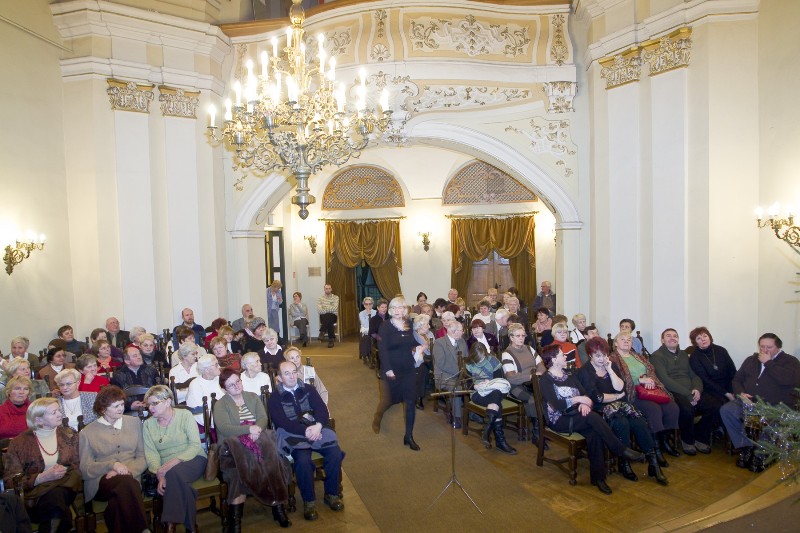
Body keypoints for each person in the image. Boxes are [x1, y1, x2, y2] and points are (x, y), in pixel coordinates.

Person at [539, 345, 645, 495]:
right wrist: (578, 399)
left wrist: (583, 402)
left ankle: (598, 478)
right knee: (593, 417)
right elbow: (558, 405)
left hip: (577, 415)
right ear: (554, 359)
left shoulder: (569, 374)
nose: (565, 357)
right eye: (562, 355)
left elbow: (586, 395)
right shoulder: (545, 380)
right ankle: (620, 449)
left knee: (594, 433)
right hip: (560, 419)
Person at [577, 337, 668, 485]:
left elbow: (621, 388)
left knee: (639, 422)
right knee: (622, 423)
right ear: (589, 356)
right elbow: (597, 397)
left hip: (620, 404)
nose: (602, 359)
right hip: (601, 409)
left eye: (604, 355)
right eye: (597, 356)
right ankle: (624, 463)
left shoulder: (611, 365)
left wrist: (609, 370)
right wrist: (616, 396)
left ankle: (653, 462)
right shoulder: (585, 371)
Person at [214, 369, 292, 529]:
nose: (236, 386)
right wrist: (248, 430)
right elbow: (224, 428)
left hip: (258, 440)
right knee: (239, 473)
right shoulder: (221, 404)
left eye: (237, 381)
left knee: (273, 462)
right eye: (230, 385)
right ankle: (235, 523)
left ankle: (278, 509)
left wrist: (257, 429)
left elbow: (263, 418)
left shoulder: (252, 397)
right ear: (224, 389)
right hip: (232, 449)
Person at [269, 361, 344, 521]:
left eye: (294, 372)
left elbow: (321, 409)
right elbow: (282, 422)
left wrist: (317, 426)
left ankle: (332, 494)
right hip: (294, 435)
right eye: (286, 373)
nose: (291, 376)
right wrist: (305, 431)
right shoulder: (275, 398)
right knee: (303, 462)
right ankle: (309, 502)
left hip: (316, 431)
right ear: (280, 378)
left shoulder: (309, 389)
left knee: (335, 454)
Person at [721, 333, 800, 472]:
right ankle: (746, 447)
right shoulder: (751, 360)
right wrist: (740, 393)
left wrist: (769, 363)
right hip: (749, 401)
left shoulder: (790, 362)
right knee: (727, 410)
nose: (764, 350)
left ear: (778, 347)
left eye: (769, 347)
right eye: (762, 346)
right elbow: (737, 379)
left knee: (764, 417)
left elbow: (789, 380)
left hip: (774, 405)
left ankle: (762, 454)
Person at [2, 397, 80, 532]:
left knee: (56, 496)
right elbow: (11, 480)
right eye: (53, 412)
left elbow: (78, 464)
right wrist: (41, 478)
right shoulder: (19, 443)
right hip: (35, 496)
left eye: (59, 410)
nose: (60, 414)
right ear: (38, 419)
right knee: (57, 506)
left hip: (66, 487)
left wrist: (64, 470)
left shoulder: (69, 434)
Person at [79, 386, 149, 533]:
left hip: (131, 477)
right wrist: (111, 466)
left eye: (122, 404)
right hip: (101, 481)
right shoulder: (87, 432)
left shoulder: (134, 423)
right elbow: (85, 469)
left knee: (118, 501)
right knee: (127, 484)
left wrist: (125, 470)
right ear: (103, 409)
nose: (121, 409)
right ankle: (143, 529)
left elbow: (143, 456)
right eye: (116, 406)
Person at [609, 331, 680, 467]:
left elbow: (651, 371)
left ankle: (664, 440)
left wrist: (651, 380)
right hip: (632, 393)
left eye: (629, 339)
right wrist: (640, 380)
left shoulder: (638, 356)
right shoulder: (613, 360)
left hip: (649, 390)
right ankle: (655, 450)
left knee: (671, 407)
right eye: (622, 339)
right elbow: (619, 381)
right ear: (616, 343)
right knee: (654, 410)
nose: (626, 341)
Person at [142, 385, 207, 532]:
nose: (150, 408)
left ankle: (170, 525)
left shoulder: (184, 415)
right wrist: (159, 473)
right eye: (148, 404)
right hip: (166, 469)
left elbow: (195, 445)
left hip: (193, 458)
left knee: (174, 473)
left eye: (154, 403)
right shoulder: (148, 424)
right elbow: (151, 453)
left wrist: (170, 465)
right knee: (180, 482)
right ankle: (191, 527)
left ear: (167, 402)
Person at [650, 328, 720, 455]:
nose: (672, 338)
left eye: (675, 336)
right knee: (687, 409)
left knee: (715, 406)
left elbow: (694, 375)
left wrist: (697, 389)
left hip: (691, 390)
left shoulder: (684, 355)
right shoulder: (656, 356)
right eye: (668, 336)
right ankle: (687, 440)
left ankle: (700, 437)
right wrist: (688, 395)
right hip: (672, 391)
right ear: (662, 340)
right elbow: (665, 380)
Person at [373, 296, 427, 450]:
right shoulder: (385, 326)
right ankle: (378, 416)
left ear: (405, 310)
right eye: (395, 308)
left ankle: (408, 436)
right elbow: (382, 350)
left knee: (410, 402)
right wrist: (388, 369)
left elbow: (410, 342)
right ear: (390, 310)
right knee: (389, 401)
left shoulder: (408, 323)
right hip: (391, 370)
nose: (398, 311)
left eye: (401, 308)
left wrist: (421, 345)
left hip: (408, 369)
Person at [465, 342, 516, 454]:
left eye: (483, 357)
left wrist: (490, 382)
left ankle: (488, 430)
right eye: (478, 359)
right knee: (497, 403)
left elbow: (499, 380)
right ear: (472, 356)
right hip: (477, 394)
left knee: (496, 393)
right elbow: (466, 384)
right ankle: (499, 440)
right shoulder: (469, 364)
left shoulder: (493, 361)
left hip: (494, 390)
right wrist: (475, 386)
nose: (481, 360)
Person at [501, 323, 545, 424]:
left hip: (535, 382)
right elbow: (511, 377)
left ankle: (547, 424)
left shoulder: (529, 348)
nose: (521, 338)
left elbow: (541, 364)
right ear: (511, 338)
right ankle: (537, 429)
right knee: (532, 399)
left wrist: (539, 374)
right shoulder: (507, 354)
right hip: (516, 386)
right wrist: (531, 376)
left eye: (523, 335)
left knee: (548, 394)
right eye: (518, 336)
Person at [433, 320, 469, 430]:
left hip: (460, 374)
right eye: (461, 331)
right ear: (454, 332)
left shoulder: (462, 341)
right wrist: (459, 373)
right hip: (444, 376)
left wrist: (466, 372)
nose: (462, 333)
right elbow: (441, 363)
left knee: (476, 383)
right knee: (457, 387)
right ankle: (457, 417)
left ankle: (474, 414)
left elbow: (466, 359)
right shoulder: (439, 343)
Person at [688, 327, 737, 405]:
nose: (703, 339)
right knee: (721, 405)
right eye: (699, 338)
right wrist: (727, 394)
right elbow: (705, 380)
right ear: (695, 342)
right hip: (711, 389)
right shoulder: (694, 357)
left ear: (709, 337)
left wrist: (733, 390)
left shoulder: (721, 350)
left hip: (729, 385)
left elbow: (732, 371)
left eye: (705, 336)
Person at [111, 345, 160, 412]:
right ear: (127, 361)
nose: (139, 357)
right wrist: (130, 406)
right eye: (135, 356)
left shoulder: (152, 371)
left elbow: (160, 390)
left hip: (152, 408)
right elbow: (115, 398)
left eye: (139, 354)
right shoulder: (118, 376)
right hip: (129, 411)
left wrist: (150, 402)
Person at [186, 354, 225, 433]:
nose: (219, 367)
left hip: (224, 416)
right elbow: (197, 411)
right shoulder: (195, 385)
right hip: (207, 424)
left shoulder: (220, 379)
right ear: (207, 370)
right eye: (216, 365)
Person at [412, 314, 434, 411]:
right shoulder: (413, 335)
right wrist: (423, 348)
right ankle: (419, 397)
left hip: (432, 358)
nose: (429, 326)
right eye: (426, 325)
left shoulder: (430, 334)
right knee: (422, 370)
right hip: (419, 361)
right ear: (419, 326)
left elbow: (436, 347)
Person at [317, 284, 340, 348]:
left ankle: (322, 331)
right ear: (324, 289)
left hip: (333, 316)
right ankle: (331, 339)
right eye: (326, 288)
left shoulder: (336, 297)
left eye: (329, 288)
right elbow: (320, 310)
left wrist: (325, 309)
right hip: (323, 317)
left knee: (328, 316)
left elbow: (335, 308)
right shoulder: (320, 298)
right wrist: (329, 309)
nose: (328, 290)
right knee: (328, 317)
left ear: (331, 289)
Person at [358, 297, 377, 364]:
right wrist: (369, 314)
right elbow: (365, 324)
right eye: (366, 304)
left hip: (374, 332)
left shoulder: (375, 312)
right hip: (366, 332)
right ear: (364, 305)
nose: (368, 306)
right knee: (366, 338)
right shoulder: (361, 313)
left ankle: (372, 356)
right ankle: (368, 355)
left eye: (370, 304)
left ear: (372, 304)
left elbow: (376, 324)